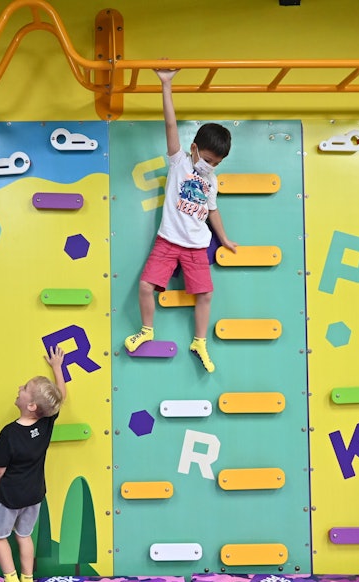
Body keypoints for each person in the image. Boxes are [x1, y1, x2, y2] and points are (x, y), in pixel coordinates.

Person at [124, 67, 237, 373]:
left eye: (216, 163)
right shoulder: (179, 163)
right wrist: (166, 85)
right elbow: (171, 123)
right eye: (208, 160)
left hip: (196, 246)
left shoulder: (211, 181)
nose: (210, 166)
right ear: (194, 149)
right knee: (145, 286)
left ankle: (199, 342)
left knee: (206, 294)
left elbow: (212, 211)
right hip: (168, 242)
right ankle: (146, 330)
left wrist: (224, 238)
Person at [0, 346, 67, 582]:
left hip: (9, 495)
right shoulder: (45, 423)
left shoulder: (9, 433)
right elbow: (61, 397)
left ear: (31, 405)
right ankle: (28, 580)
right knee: (24, 536)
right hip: (34, 494)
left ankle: (11, 580)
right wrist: (57, 368)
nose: (20, 388)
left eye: (24, 389)